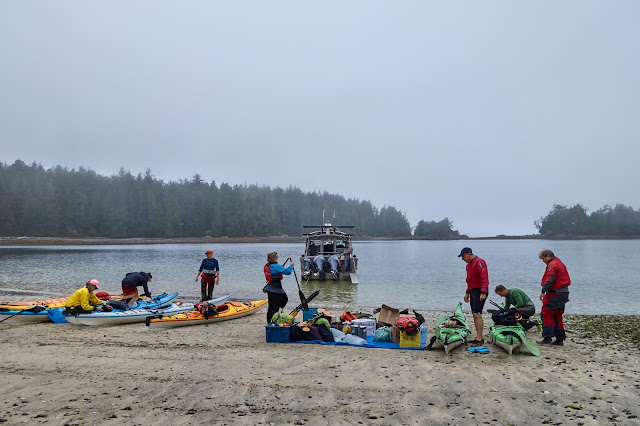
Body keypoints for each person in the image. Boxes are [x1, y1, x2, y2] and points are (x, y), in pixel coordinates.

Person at [538, 249, 571, 346]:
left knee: (546, 314)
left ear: (548, 256)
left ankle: (547, 337)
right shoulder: (559, 263)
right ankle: (559, 339)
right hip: (563, 293)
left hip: (555, 293)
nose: (543, 261)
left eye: (543, 258)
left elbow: (550, 280)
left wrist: (543, 291)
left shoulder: (552, 265)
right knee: (557, 315)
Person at [459, 247, 489, 347]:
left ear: (469, 254)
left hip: (480, 290)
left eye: (463, 256)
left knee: (477, 313)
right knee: (474, 314)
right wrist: (467, 293)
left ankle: (480, 339)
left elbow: (485, 278)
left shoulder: (479, 262)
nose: (462, 259)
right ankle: (478, 337)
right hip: (473, 290)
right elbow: (470, 280)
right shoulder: (468, 265)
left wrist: (483, 292)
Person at [263, 251, 294, 323]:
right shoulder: (275, 266)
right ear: (274, 258)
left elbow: (275, 271)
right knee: (279, 304)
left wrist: (280, 267)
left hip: (270, 287)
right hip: (276, 287)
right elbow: (288, 272)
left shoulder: (268, 265)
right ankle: (274, 322)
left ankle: (269, 322)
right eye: (276, 257)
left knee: (271, 306)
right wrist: (291, 265)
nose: (277, 258)